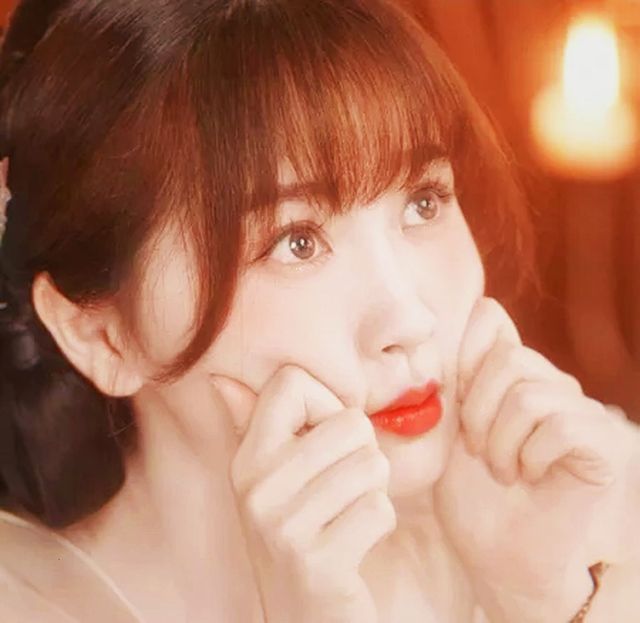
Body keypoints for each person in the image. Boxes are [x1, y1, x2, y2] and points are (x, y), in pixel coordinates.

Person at [0, 0, 638, 621]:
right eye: (296, 242)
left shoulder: (589, 486)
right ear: (101, 336)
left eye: (424, 201)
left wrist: (541, 599)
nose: (410, 320)